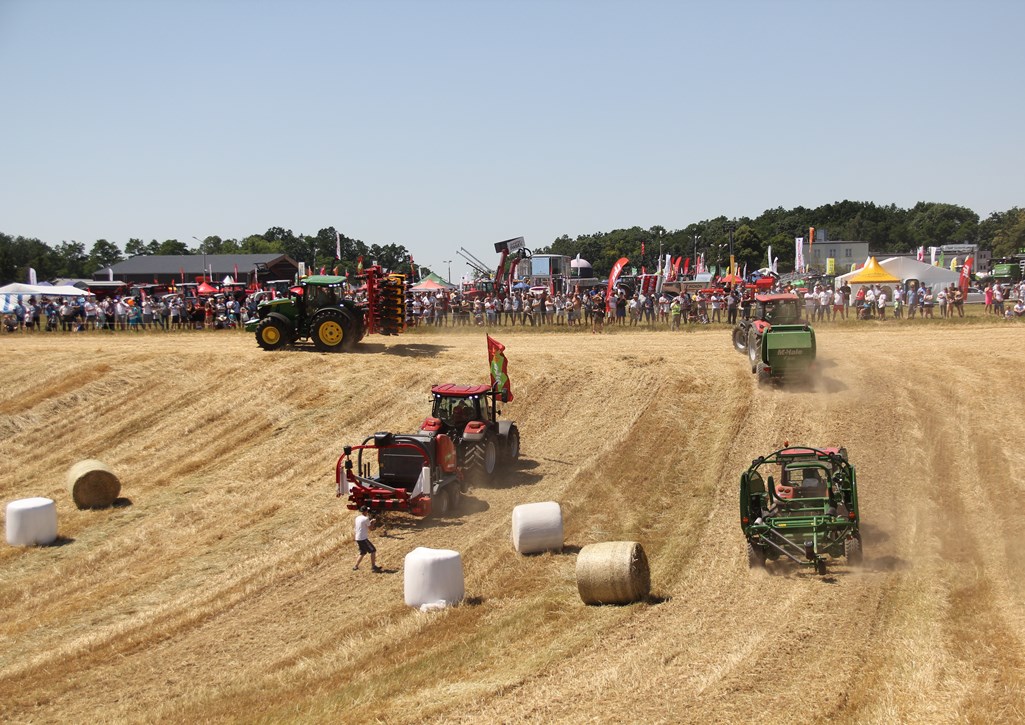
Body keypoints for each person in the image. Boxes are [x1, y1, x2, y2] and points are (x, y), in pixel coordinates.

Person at [353, 505, 382, 572]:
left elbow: (363, 525)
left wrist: (370, 522)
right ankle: (373, 566)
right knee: (373, 550)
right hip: (363, 538)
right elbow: (371, 529)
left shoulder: (357, 518)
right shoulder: (366, 519)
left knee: (363, 552)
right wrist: (373, 523)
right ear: (365, 511)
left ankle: (355, 566)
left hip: (357, 538)